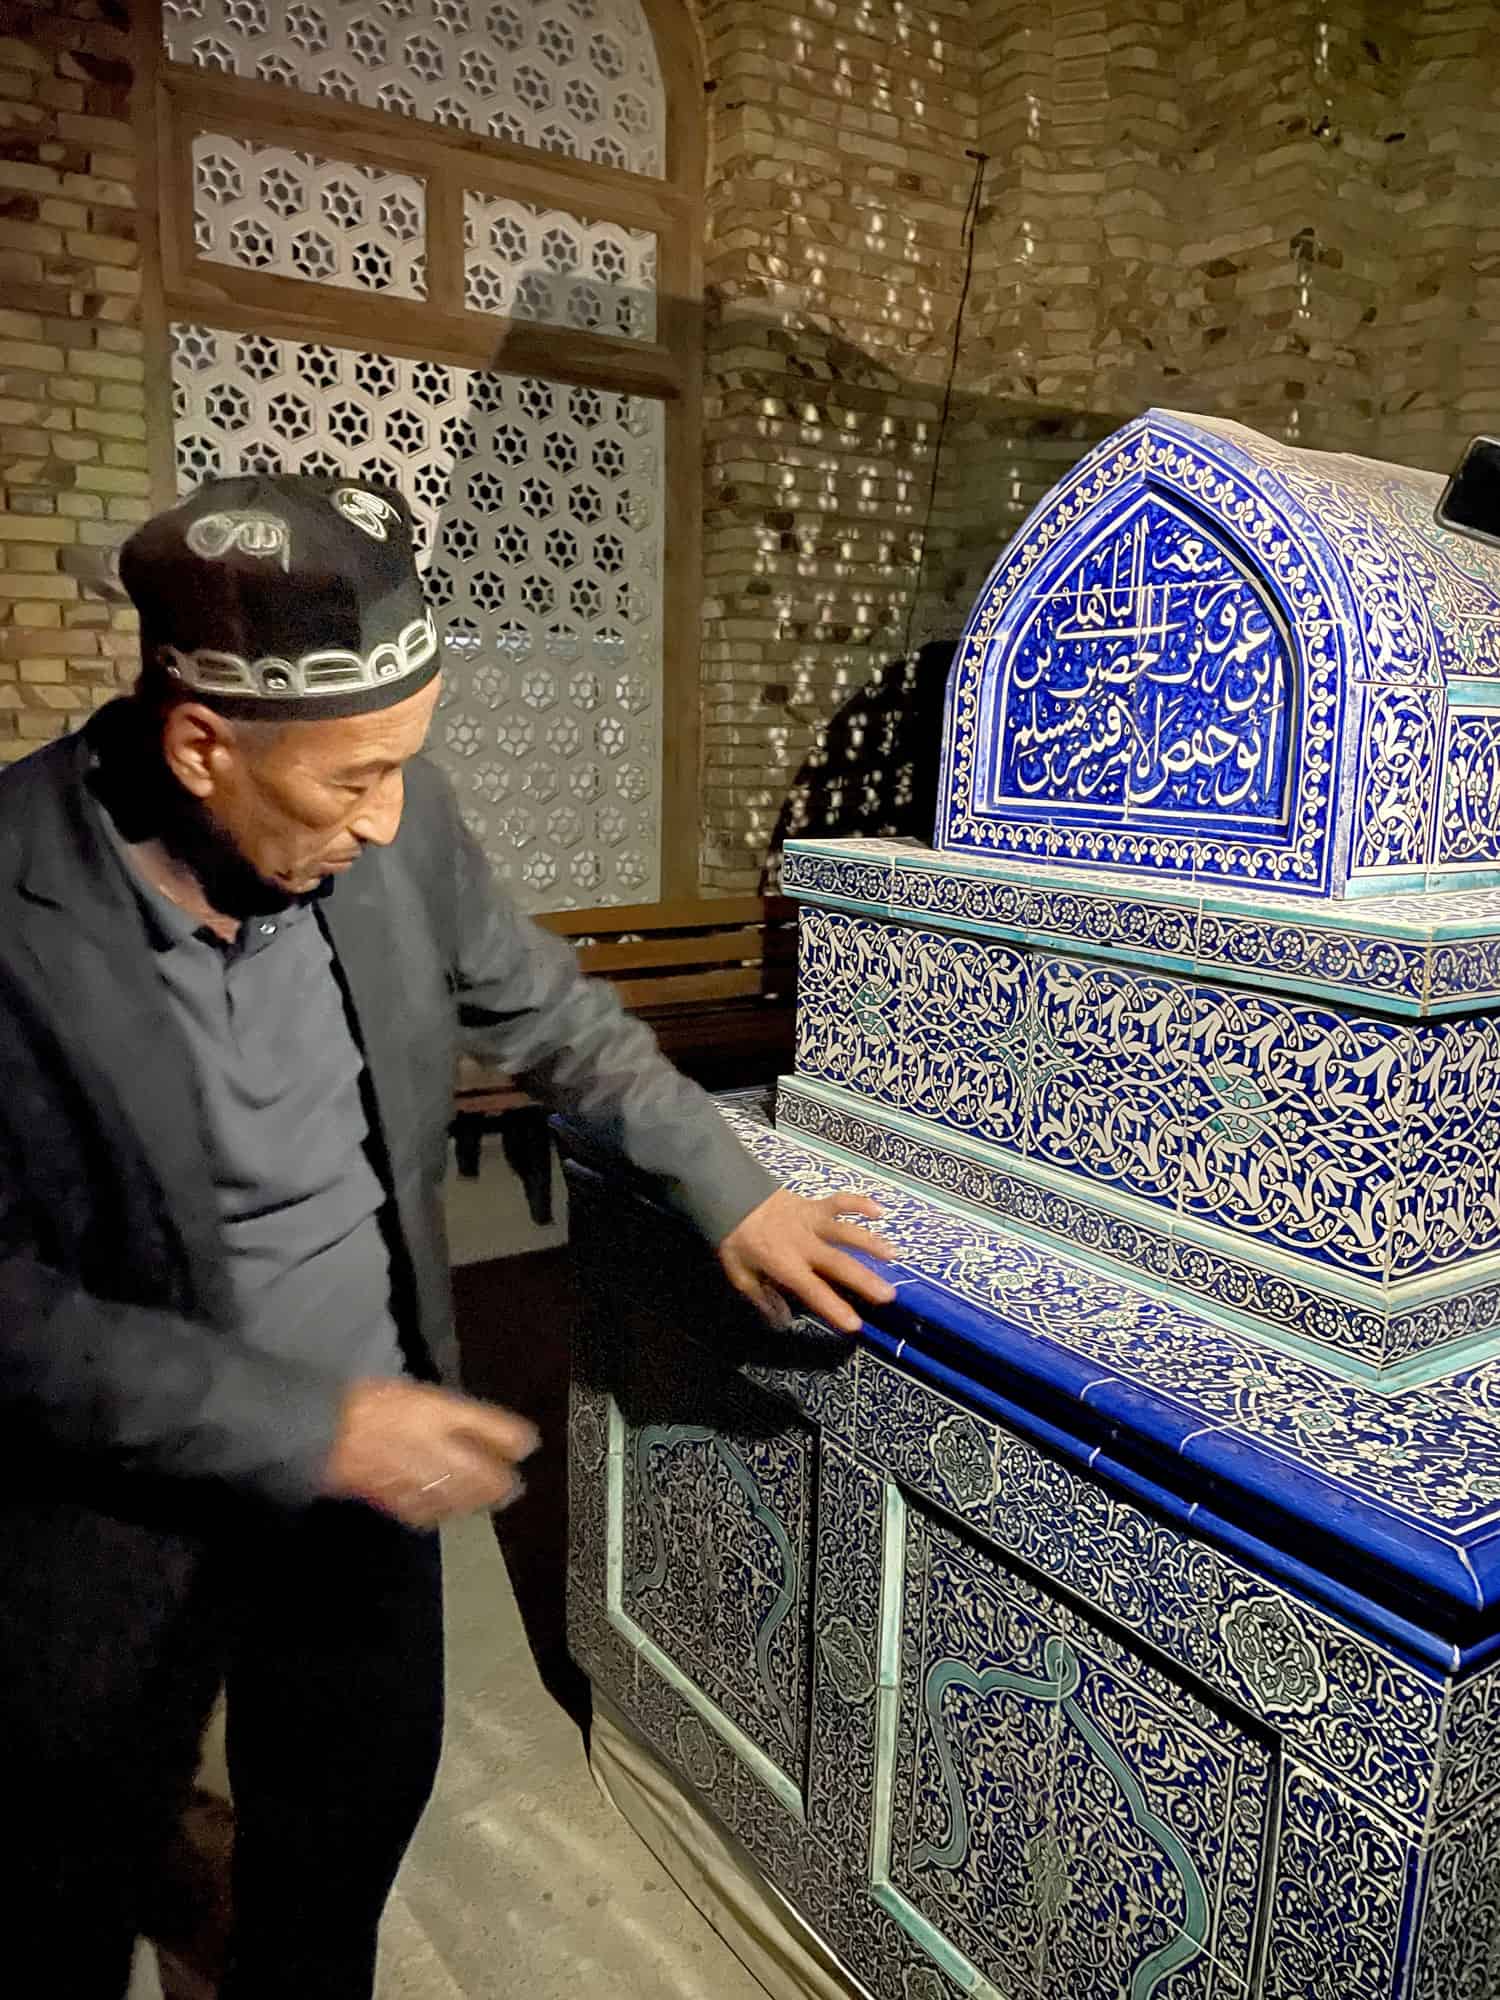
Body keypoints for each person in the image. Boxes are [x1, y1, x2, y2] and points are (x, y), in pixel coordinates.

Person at [0, 473, 896, 1999]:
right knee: (65, 1874)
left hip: (375, 1450)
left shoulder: (384, 828)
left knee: (338, 1837)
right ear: (202, 743)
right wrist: (309, 1422)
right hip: (120, 1504)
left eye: (404, 767)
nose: (390, 818)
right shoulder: (16, 903)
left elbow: (547, 1013)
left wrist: (727, 1181)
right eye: (351, 782)